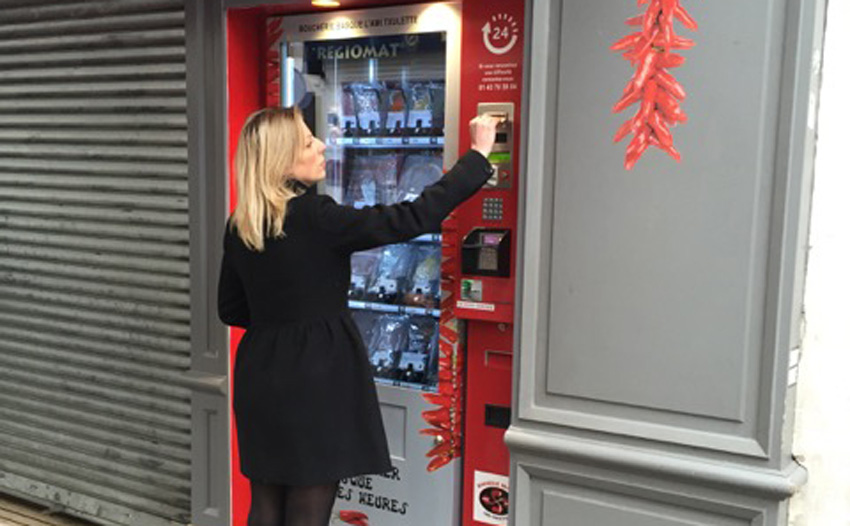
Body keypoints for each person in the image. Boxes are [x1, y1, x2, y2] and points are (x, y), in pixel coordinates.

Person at [217, 106, 497, 526]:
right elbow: (410, 217)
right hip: (317, 373)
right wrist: (477, 157)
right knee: (308, 509)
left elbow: (231, 308)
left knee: (267, 503)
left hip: (261, 374)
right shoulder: (318, 216)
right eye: (309, 142)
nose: (322, 146)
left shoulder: (241, 224)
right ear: (283, 158)